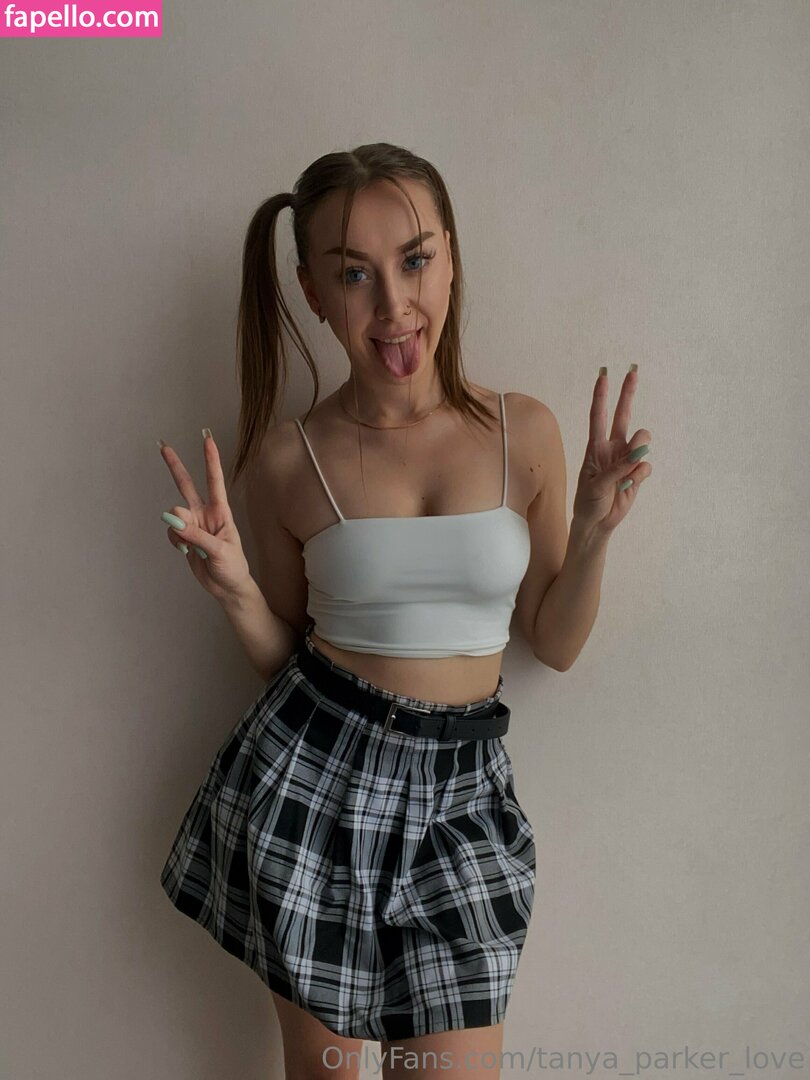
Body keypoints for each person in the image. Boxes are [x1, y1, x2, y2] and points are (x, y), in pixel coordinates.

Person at [157, 143, 652, 1079]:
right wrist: (235, 592)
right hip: (314, 780)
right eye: (355, 274)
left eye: (415, 259)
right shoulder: (287, 462)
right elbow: (284, 658)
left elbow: (554, 645)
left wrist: (591, 533)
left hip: (465, 794)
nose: (394, 305)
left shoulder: (524, 432)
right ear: (314, 292)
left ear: (451, 258)